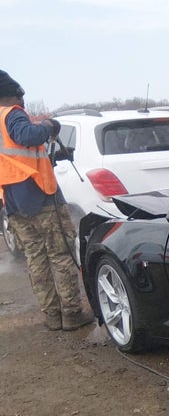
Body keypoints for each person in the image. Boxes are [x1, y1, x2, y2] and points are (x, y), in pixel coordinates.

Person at [0, 70, 93, 331]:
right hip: (40, 197)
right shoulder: (12, 113)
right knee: (60, 254)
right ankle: (72, 313)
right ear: (15, 94)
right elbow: (27, 136)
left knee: (36, 257)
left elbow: (14, 157)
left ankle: (52, 315)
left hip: (14, 202)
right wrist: (50, 126)